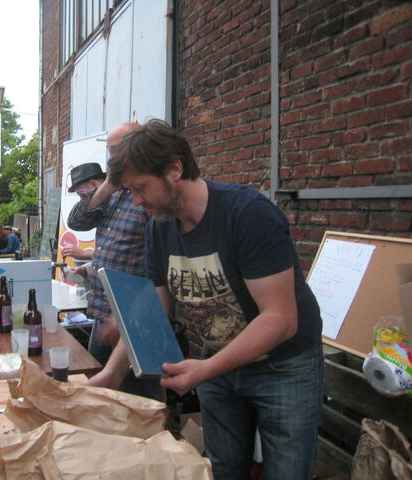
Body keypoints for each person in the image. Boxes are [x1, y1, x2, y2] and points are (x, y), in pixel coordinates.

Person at [98, 119, 324, 480]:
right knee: (224, 470)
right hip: (217, 362)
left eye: (140, 188)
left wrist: (206, 369)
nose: (136, 201)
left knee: (288, 473)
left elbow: (280, 319)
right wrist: (112, 372)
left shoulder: (248, 214)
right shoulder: (159, 227)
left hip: (283, 366)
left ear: (174, 169)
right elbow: (153, 309)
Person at [67, 123, 163, 401]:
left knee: (138, 398)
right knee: (99, 390)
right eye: (110, 151)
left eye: (117, 150)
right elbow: (76, 220)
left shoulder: (150, 194)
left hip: (135, 314)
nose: (112, 158)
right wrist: (109, 184)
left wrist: (132, 315)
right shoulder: (114, 192)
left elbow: (160, 268)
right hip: (102, 311)